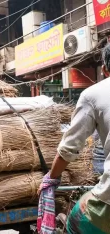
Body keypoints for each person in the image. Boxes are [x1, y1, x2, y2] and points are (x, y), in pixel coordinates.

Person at [38, 44, 110, 234]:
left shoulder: (93, 94)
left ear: (104, 69)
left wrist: (50, 179)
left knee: (75, 222)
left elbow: (69, 148)